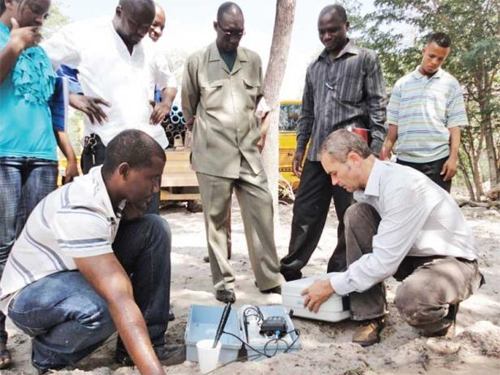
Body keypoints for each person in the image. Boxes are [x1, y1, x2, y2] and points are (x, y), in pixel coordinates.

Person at [0, 130, 178, 375]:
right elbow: (119, 298)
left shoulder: (110, 188)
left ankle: (141, 348)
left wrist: (126, 213)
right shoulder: (81, 207)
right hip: (29, 295)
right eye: (152, 179)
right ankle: (49, 354)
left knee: (154, 229)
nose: (157, 187)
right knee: (107, 305)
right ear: (124, 171)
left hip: (68, 275)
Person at [302, 129, 483, 347]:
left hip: (452, 263)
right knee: (357, 214)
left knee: (412, 300)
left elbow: (383, 262)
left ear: (353, 159)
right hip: (412, 254)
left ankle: (443, 319)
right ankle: (370, 315)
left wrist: (332, 285)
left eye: (334, 173)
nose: (333, 182)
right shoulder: (370, 184)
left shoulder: (401, 186)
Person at [181, 1, 284, 303]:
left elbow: (258, 102)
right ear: (216, 27)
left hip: (247, 155)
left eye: (239, 32)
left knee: (262, 211)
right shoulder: (197, 61)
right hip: (213, 155)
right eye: (228, 32)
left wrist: (258, 136)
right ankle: (224, 283)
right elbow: (189, 109)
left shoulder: (252, 60)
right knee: (215, 222)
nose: (234, 38)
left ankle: (268, 278)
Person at [280, 4, 387, 282]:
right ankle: (290, 269)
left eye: (332, 30)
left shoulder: (365, 59)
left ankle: (339, 274)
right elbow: (307, 112)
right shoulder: (314, 67)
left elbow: (377, 107)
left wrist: (373, 153)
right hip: (317, 156)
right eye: (321, 32)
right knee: (305, 213)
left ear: (346, 27)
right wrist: (301, 148)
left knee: (350, 215)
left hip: (351, 159)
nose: (326, 36)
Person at [0, 0, 77, 369]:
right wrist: (13, 45)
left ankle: (40, 332)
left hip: (43, 156)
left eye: (45, 14)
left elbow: (52, 108)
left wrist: (68, 155)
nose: (38, 19)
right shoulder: (6, 39)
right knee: (2, 247)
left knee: (39, 246)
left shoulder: (43, 53)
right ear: (11, 2)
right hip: (5, 155)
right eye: (33, 8)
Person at [41, 0, 177, 175]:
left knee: (147, 203)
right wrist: (71, 96)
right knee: (103, 203)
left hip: (147, 147)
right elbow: (37, 61)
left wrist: (166, 104)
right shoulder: (85, 34)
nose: (142, 32)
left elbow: (169, 82)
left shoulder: (149, 47)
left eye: (146, 26)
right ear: (119, 12)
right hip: (104, 149)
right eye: (136, 24)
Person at [380, 33, 467, 193]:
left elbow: (455, 125)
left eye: (440, 59)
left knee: (437, 215)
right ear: (423, 51)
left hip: (438, 162)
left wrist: (453, 158)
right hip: (405, 161)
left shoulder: (451, 84)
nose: (434, 62)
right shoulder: (402, 84)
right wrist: (386, 151)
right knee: (405, 212)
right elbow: (394, 123)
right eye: (431, 56)